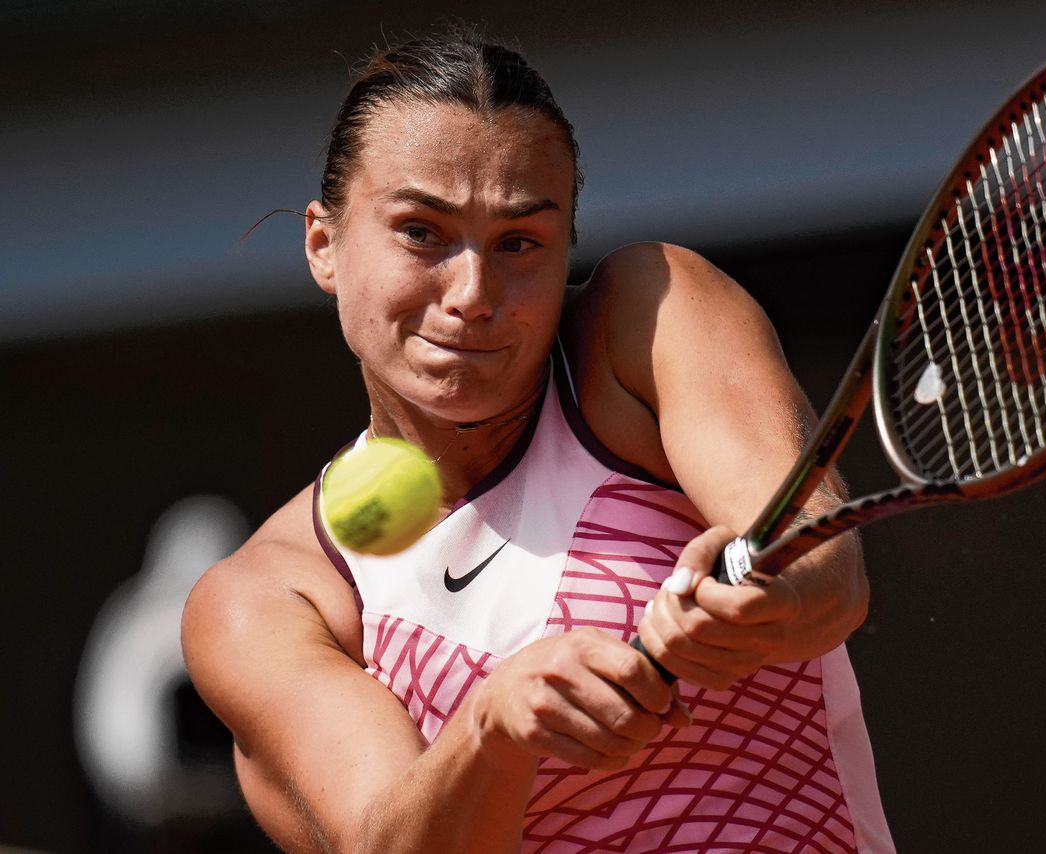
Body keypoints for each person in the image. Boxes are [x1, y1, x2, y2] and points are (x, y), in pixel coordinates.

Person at [183, 29, 894, 853]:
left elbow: (824, 565)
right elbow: (387, 840)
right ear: (324, 244)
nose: (474, 294)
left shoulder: (648, 318)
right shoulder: (272, 596)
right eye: (421, 232)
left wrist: (765, 598)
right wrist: (495, 721)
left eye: (519, 243)